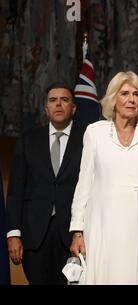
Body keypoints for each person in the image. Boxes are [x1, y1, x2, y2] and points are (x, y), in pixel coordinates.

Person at [69, 71, 138, 284]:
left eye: (136, 94)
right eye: (125, 93)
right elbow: (83, 185)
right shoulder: (94, 133)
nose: (132, 99)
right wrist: (78, 231)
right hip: (103, 227)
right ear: (113, 99)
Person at [5, 82, 83, 284]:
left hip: (73, 237)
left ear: (73, 108)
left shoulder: (88, 140)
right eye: (53, 100)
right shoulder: (28, 140)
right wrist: (13, 234)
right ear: (46, 108)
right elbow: (15, 191)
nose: (58, 104)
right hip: (33, 236)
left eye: (64, 100)